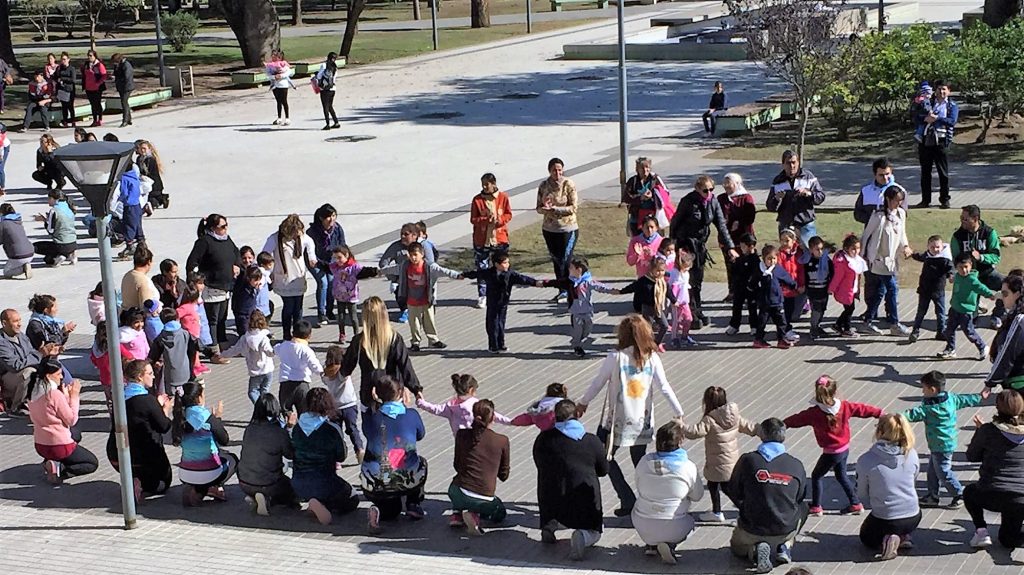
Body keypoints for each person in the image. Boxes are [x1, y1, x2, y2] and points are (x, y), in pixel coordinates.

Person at [577, 314, 685, 516]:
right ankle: (649, 499)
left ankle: (627, 498)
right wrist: (679, 412)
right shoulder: (651, 358)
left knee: (604, 455)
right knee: (639, 461)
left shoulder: (615, 357)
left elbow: (598, 383)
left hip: (617, 420)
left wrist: (583, 403)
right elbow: (664, 387)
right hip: (642, 420)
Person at [784, 375, 881, 516]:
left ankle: (816, 506)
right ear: (835, 392)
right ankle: (855, 504)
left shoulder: (814, 413)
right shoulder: (845, 406)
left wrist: (783, 423)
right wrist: (879, 413)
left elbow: (797, 419)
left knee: (817, 476)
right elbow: (863, 409)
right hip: (844, 448)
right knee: (841, 475)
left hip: (831, 452)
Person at [728, 418, 809, 574]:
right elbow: (800, 497)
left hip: (752, 528)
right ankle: (785, 545)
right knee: (804, 507)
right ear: (783, 437)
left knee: (737, 548)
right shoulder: (796, 464)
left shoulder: (748, 460)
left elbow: (733, 490)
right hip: (785, 526)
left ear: (762, 435)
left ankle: (754, 551)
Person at [534, 399, 609, 560]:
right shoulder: (591, 441)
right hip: (583, 502)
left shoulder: (543, 439)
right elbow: (603, 471)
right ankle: (583, 536)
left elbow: (539, 464)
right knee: (596, 530)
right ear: (577, 416)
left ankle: (550, 526)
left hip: (552, 501)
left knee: (550, 487)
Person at [903, 370, 985, 508]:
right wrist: (978, 397)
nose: (922, 392)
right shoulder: (951, 398)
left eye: (923, 388)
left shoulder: (930, 409)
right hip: (945, 443)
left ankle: (959, 494)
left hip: (941, 446)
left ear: (932, 389)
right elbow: (964, 400)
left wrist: (894, 418)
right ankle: (932, 496)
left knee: (944, 472)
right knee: (933, 470)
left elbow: (912, 414)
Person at [361, 373, 428, 533]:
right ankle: (413, 503)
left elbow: (368, 433)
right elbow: (420, 434)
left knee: (392, 511)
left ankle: (379, 510)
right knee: (421, 462)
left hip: (373, 480)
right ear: (401, 392)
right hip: (407, 476)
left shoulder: (372, 418)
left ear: (376, 394)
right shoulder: (411, 414)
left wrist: (374, 404)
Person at [683, 386, 759, 523]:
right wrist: (761, 430)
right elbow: (748, 426)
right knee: (716, 485)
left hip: (716, 463)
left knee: (724, 488)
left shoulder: (709, 420)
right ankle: (718, 511)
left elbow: (694, 432)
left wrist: (681, 425)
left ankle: (744, 513)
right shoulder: (734, 416)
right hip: (732, 462)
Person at [669, 175, 737, 328]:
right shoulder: (688, 201)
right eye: (705, 190)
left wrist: (730, 247)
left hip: (699, 245)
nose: (709, 193)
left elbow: (721, 226)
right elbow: (675, 222)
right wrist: (672, 246)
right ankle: (690, 313)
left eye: (711, 189)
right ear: (697, 189)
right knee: (688, 280)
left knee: (698, 281)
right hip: (685, 244)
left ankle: (697, 310)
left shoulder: (713, 201)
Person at [632, 420, 704, 565]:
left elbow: (639, 487)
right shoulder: (687, 467)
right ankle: (670, 545)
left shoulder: (644, 461)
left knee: (645, 503)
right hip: (675, 524)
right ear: (680, 441)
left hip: (642, 524)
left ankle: (652, 544)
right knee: (691, 521)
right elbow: (697, 496)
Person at [855, 414, 921, 560]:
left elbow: (861, 494)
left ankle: (889, 538)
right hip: (913, 515)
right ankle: (903, 536)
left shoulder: (866, 460)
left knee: (867, 538)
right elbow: (914, 479)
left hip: (886, 517)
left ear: (879, 432)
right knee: (899, 523)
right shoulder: (912, 454)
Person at [964, 389, 1024, 550]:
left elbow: (972, 456)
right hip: (1021, 499)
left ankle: (981, 531)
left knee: (969, 492)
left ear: (998, 408)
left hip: (990, 494)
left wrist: (979, 432)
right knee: (1010, 539)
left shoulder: (988, 430)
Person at [293, 387, 359, 524]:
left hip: (299, 483)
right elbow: (341, 456)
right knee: (352, 498)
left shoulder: (297, 428)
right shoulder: (331, 429)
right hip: (325, 483)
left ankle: (314, 502)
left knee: (318, 491)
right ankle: (323, 504)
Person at [379, 242, 462, 352]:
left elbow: (443, 271)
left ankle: (433, 340)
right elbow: (392, 269)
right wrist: (379, 271)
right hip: (412, 300)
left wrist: (457, 275)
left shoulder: (429, 267)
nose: (413, 258)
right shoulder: (405, 266)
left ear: (422, 254)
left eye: (415, 254)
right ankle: (415, 342)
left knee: (429, 321)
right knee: (414, 323)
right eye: (411, 254)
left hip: (426, 299)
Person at [108, 360, 173, 500]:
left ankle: (136, 479)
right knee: (164, 484)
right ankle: (142, 485)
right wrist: (165, 410)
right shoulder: (147, 400)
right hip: (142, 456)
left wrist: (156, 405)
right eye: (150, 374)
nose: (154, 376)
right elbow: (164, 426)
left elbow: (137, 414)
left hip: (117, 453)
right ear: (139, 377)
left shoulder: (120, 396)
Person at [340, 296, 421, 408]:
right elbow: (405, 365)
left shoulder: (360, 341)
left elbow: (346, 367)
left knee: (371, 424)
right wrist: (416, 389)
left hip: (369, 395)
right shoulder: (394, 339)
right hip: (393, 394)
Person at [27, 357, 97, 484]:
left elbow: (51, 411)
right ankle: (60, 469)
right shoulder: (54, 394)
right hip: (60, 445)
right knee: (91, 463)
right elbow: (71, 420)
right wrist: (74, 396)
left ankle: (50, 461)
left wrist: (65, 397)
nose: (61, 378)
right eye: (58, 374)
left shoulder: (32, 391)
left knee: (76, 433)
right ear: (49, 376)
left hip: (41, 444)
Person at [449, 399, 511, 536]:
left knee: (461, 488)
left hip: (457, 491)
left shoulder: (461, 435)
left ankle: (457, 514)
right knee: (499, 513)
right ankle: (474, 515)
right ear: (493, 417)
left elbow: (457, 465)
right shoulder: (502, 440)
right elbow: (504, 476)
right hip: (484, 496)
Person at [462, 252, 541, 353]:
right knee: (492, 324)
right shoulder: (489, 273)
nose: (507, 265)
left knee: (501, 323)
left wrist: (535, 282)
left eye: (508, 262)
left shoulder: (510, 274)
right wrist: (463, 275)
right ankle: (493, 346)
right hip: (492, 303)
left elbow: (523, 279)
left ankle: (501, 344)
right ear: (496, 264)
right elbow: (476, 274)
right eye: (504, 263)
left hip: (503, 303)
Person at [173, 382, 237, 506]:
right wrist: (218, 419)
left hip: (184, 472)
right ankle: (209, 488)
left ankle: (195, 488)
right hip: (209, 471)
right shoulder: (207, 418)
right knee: (233, 459)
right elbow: (225, 440)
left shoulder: (179, 417)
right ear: (199, 398)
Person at [186, 214, 242, 356]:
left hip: (225, 286)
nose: (225, 229)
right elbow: (192, 262)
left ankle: (222, 342)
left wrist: (236, 264)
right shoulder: (204, 242)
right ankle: (213, 349)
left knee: (222, 317)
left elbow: (236, 253)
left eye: (226, 225)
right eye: (222, 226)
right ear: (213, 228)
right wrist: (197, 281)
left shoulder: (226, 239)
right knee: (213, 320)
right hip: (212, 287)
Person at [861, 185, 912, 336]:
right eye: (896, 200)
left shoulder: (901, 214)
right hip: (878, 260)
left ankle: (868, 320)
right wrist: (863, 257)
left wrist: (906, 246)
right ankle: (894, 323)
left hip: (892, 260)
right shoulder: (878, 216)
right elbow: (866, 236)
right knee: (892, 288)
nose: (899, 203)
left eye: (901, 201)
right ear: (888, 199)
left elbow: (902, 233)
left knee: (881, 290)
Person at [540, 256, 617, 357]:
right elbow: (556, 282)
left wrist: (613, 290)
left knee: (588, 329)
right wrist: (543, 283)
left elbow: (600, 287)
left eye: (571, 268)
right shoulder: (569, 282)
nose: (569, 269)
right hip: (576, 312)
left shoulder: (588, 281)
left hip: (588, 311)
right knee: (578, 331)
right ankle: (577, 346)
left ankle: (578, 341)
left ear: (578, 270)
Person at [239, 393, 297, 516]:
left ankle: (254, 496)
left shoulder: (249, 429)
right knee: (291, 491)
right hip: (269, 484)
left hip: (244, 482)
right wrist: (290, 428)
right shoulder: (278, 432)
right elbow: (290, 454)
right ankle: (266, 497)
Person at [264, 214, 317, 340]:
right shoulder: (275, 238)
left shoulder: (301, 237)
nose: (298, 234)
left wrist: (312, 258)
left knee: (298, 307)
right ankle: (286, 333)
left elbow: (310, 244)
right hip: (284, 277)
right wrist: (268, 270)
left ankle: (298, 334)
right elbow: (265, 254)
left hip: (298, 276)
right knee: (288, 307)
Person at [951, 204, 1004, 328]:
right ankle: (974, 311)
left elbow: (996, 256)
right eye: (961, 218)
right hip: (968, 276)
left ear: (975, 219)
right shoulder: (958, 236)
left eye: (965, 219)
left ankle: (998, 315)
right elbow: (955, 258)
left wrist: (981, 257)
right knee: (969, 321)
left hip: (987, 272)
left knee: (1007, 286)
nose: (962, 221)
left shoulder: (989, 233)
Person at [938, 252, 996, 360]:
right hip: (954, 308)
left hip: (966, 312)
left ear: (971, 265)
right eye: (961, 267)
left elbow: (981, 288)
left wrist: (991, 295)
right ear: (956, 267)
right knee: (949, 330)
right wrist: (952, 278)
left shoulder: (972, 279)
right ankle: (951, 349)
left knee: (969, 332)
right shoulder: (957, 276)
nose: (964, 270)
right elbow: (953, 278)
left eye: (966, 267)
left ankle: (983, 347)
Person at [536, 157, 579, 303]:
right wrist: (544, 208)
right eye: (554, 170)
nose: (557, 173)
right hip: (550, 229)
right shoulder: (543, 185)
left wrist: (556, 209)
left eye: (560, 170)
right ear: (549, 170)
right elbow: (538, 209)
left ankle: (571, 288)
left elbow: (574, 207)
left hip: (568, 228)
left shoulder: (568, 184)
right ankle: (562, 290)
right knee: (556, 261)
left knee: (565, 260)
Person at [0, 309, 58, 416]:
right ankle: (17, 407)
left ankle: (49, 401)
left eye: (20, 320)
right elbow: (14, 365)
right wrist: (40, 354)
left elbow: (32, 353)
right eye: (15, 321)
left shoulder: (21, 336)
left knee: (53, 368)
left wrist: (48, 353)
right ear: (4, 323)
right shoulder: (1, 342)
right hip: (7, 377)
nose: (19, 324)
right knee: (29, 372)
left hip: (22, 371)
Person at [378, 222, 437, 323]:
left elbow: (431, 265)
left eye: (406, 234)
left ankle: (426, 311)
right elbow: (383, 264)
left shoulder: (423, 245)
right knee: (400, 288)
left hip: (422, 278)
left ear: (414, 235)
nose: (402, 236)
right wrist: (394, 278)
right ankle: (405, 310)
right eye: (401, 234)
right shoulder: (396, 247)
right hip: (404, 279)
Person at [766, 150, 825, 248]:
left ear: (798, 163)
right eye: (788, 163)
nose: (791, 166)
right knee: (787, 255)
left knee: (810, 254)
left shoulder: (808, 177)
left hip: (806, 224)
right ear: (783, 165)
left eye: (794, 162)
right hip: (786, 225)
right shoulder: (777, 181)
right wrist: (776, 198)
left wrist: (809, 193)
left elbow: (821, 196)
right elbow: (770, 206)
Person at [470, 173, 513, 308]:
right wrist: (485, 220)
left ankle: (502, 292)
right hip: (482, 240)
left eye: (487, 184)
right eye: (482, 184)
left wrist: (500, 220)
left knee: (501, 267)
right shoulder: (477, 200)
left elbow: (508, 214)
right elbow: (473, 219)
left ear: (493, 184)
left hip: (499, 239)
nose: (484, 187)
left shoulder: (503, 197)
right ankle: (482, 295)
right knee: (482, 268)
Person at [916, 80, 958, 209]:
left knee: (943, 173)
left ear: (949, 91)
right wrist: (925, 118)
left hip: (941, 141)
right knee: (925, 172)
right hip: (926, 141)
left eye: (944, 89)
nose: (942, 92)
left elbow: (952, 121)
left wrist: (937, 119)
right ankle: (925, 200)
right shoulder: (928, 102)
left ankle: (945, 200)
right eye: (939, 89)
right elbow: (916, 116)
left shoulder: (952, 105)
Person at [221, 309, 275, 404]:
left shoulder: (245, 338)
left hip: (255, 371)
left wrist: (223, 354)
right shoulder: (264, 337)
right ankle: (266, 410)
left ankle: (260, 409)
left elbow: (235, 350)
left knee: (252, 392)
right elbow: (270, 352)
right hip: (268, 369)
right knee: (265, 392)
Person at [619, 258, 675, 347]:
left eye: (662, 270)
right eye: (657, 271)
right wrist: (621, 291)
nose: (660, 273)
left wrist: (674, 301)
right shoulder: (644, 281)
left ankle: (656, 344)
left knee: (664, 326)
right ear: (652, 270)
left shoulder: (662, 282)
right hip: (648, 308)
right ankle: (643, 344)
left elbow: (668, 293)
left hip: (658, 308)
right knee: (647, 328)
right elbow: (633, 287)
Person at [321, 344, 363, 461]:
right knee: (353, 429)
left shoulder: (326, 374)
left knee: (336, 432)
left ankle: (337, 458)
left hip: (334, 407)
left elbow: (323, 377)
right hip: (349, 404)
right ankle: (359, 450)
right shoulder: (343, 372)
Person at [752, 244, 798, 349]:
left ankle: (781, 339)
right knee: (762, 321)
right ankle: (758, 339)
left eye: (774, 258)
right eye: (769, 259)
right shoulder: (760, 270)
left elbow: (786, 278)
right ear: (763, 259)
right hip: (764, 302)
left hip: (777, 301)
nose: (772, 261)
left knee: (781, 322)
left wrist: (793, 285)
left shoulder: (777, 269)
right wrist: (752, 291)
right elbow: (753, 282)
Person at [328, 245, 377, 345]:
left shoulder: (353, 267)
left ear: (346, 255)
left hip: (351, 296)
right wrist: (316, 263)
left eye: (339, 257)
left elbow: (364, 271)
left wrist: (375, 271)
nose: (337, 260)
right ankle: (342, 334)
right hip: (340, 295)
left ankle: (356, 335)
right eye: (335, 258)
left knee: (353, 317)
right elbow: (325, 266)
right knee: (341, 316)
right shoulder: (335, 267)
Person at [909, 235, 954, 342]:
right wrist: (911, 254)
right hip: (925, 290)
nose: (935, 250)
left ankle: (941, 332)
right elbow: (920, 256)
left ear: (942, 247)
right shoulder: (927, 256)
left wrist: (952, 276)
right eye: (932, 247)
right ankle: (915, 331)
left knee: (940, 313)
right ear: (928, 247)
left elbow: (951, 269)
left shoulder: (945, 259)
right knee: (921, 312)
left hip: (938, 291)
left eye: (937, 247)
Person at [307, 204, 346, 326]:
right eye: (328, 217)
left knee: (331, 282)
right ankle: (321, 313)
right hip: (316, 262)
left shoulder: (337, 228)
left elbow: (342, 245)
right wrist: (318, 262)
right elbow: (309, 252)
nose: (332, 219)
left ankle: (329, 310)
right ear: (321, 218)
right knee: (323, 282)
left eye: (334, 216)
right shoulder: (312, 232)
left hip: (331, 262)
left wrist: (341, 259)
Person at [718, 173, 755, 302]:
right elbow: (717, 216)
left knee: (746, 266)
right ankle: (733, 292)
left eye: (729, 183)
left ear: (737, 184)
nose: (726, 186)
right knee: (731, 266)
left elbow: (750, 216)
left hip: (744, 238)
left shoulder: (746, 198)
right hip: (727, 238)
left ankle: (748, 292)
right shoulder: (721, 198)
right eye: (724, 183)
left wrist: (739, 221)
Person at [274, 319, 323, 414]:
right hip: (302, 384)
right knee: (304, 412)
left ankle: (288, 425)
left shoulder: (284, 345)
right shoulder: (306, 350)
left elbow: (273, 350)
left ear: (293, 333)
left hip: (286, 383)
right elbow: (314, 365)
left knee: (285, 410)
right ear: (309, 336)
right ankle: (302, 427)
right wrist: (322, 373)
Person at [148, 307, 198, 396]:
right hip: (186, 372)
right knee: (188, 395)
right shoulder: (185, 334)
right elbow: (198, 345)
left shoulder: (161, 338)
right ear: (177, 318)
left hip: (170, 375)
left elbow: (152, 357)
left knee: (172, 397)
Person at [987, 273, 1024, 391]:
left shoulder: (1019, 320)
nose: (1002, 297)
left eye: (1005, 294)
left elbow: (1007, 352)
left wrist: (990, 382)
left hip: (1018, 382)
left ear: (1017, 294)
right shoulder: (1014, 316)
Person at [828, 235, 867, 338]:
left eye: (858, 248)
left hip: (851, 289)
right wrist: (832, 289)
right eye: (853, 249)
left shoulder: (856, 260)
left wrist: (857, 289)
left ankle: (838, 325)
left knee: (850, 309)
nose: (856, 251)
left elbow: (857, 275)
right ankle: (846, 328)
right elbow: (837, 277)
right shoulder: (843, 262)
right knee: (850, 309)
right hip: (845, 290)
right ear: (846, 249)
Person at [621, 157, 669, 237]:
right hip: (636, 216)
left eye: (647, 167)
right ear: (637, 169)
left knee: (655, 241)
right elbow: (626, 197)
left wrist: (652, 195)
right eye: (641, 168)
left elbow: (665, 194)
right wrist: (640, 198)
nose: (645, 170)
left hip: (653, 216)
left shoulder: (655, 179)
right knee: (638, 241)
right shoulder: (633, 181)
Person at [853, 158, 907, 226]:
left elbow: (903, 215)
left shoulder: (900, 191)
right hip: (871, 233)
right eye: (881, 175)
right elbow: (857, 214)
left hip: (892, 233)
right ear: (875, 174)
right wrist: (874, 219)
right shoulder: (865, 191)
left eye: (887, 174)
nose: (885, 178)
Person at [727, 234, 760, 336]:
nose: (741, 249)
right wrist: (733, 263)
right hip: (739, 287)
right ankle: (734, 325)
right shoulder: (740, 258)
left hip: (751, 288)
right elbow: (735, 272)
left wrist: (752, 284)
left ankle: (754, 326)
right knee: (736, 307)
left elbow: (756, 274)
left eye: (743, 247)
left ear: (751, 246)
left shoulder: (756, 260)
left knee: (752, 308)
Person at [804, 236, 833, 340]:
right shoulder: (807, 262)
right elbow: (804, 276)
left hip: (824, 290)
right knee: (816, 310)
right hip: (813, 291)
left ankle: (818, 326)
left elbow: (832, 273)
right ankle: (813, 328)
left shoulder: (826, 260)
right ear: (811, 249)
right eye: (817, 249)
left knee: (822, 309)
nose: (820, 252)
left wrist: (832, 287)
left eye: (822, 249)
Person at [1, 203, 34, 279]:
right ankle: (25, 264)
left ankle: (23, 268)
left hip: (18, 255)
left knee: (6, 272)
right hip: (30, 252)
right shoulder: (18, 221)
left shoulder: (3, 223)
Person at [120, 247, 159, 312]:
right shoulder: (143, 280)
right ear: (149, 262)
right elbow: (146, 307)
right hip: (137, 318)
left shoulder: (127, 275)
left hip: (125, 314)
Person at [265, 50, 295, 125]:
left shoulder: (283, 64)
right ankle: (279, 118)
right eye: (272, 56)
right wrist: (273, 76)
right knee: (278, 101)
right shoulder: (270, 65)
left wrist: (280, 75)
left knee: (284, 101)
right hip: (275, 85)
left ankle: (287, 118)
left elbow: (288, 72)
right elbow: (267, 74)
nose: (273, 57)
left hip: (283, 85)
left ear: (278, 57)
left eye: (274, 56)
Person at [135, 140, 167, 209]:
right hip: (146, 182)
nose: (142, 150)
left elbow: (147, 172)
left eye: (144, 148)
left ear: (149, 149)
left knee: (152, 199)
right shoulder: (139, 159)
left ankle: (163, 199)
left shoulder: (151, 159)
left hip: (154, 184)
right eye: (141, 149)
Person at [80, 50, 107, 127]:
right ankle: (95, 119)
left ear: (95, 56)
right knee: (92, 104)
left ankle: (99, 119)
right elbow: (83, 74)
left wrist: (98, 83)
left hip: (97, 88)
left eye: (91, 55)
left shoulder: (99, 65)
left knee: (97, 103)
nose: (89, 57)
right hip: (88, 88)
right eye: (88, 55)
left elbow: (104, 75)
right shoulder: (86, 64)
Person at [314, 52, 341, 130]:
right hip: (333, 88)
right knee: (330, 106)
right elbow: (334, 78)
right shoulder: (335, 67)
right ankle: (336, 122)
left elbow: (319, 76)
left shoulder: (324, 65)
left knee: (325, 106)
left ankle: (327, 124)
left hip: (324, 89)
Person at [112, 53, 134, 127]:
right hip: (121, 87)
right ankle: (129, 119)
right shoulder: (119, 65)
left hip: (127, 87)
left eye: (115, 61)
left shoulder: (126, 65)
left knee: (124, 102)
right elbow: (116, 74)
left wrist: (119, 79)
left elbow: (127, 77)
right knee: (125, 102)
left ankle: (125, 120)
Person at [55, 52, 76, 128]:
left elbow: (73, 80)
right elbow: (56, 77)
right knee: (64, 106)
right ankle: (65, 121)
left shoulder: (71, 69)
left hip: (70, 90)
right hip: (62, 89)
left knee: (70, 106)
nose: (63, 61)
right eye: (62, 60)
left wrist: (63, 79)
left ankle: (73, 120)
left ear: (68, 59)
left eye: (64, 59)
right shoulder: (60, 68)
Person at [0, 123, 9, 196]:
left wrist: (1, 155)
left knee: (0, 168)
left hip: (3, 147)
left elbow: (1, 145)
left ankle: (2, 188)